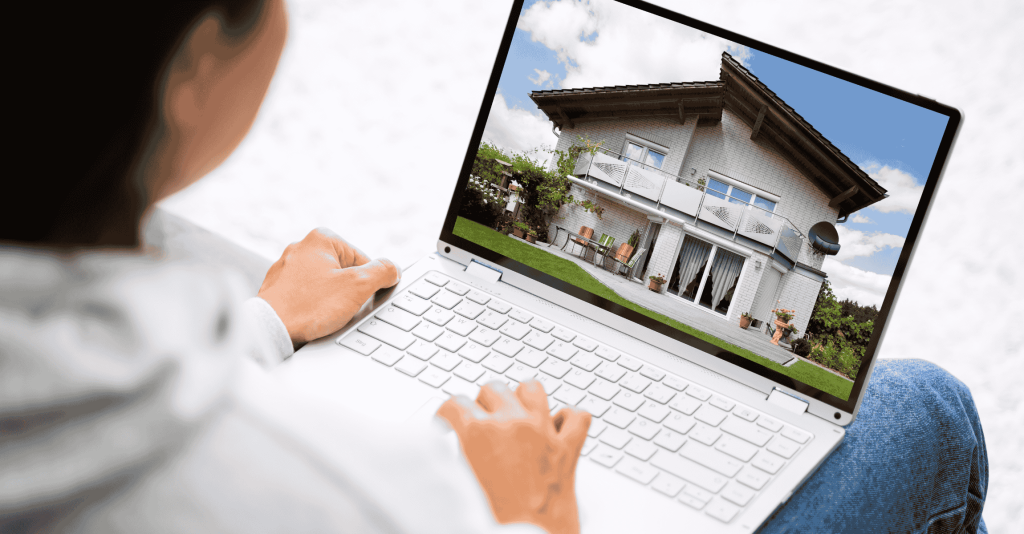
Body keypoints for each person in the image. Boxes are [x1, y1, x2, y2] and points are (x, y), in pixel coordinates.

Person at [0, 1, 988, 533]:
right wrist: (524, 516)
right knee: (929, 412)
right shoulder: (354, 495)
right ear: (188, 74)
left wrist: (265, 327)